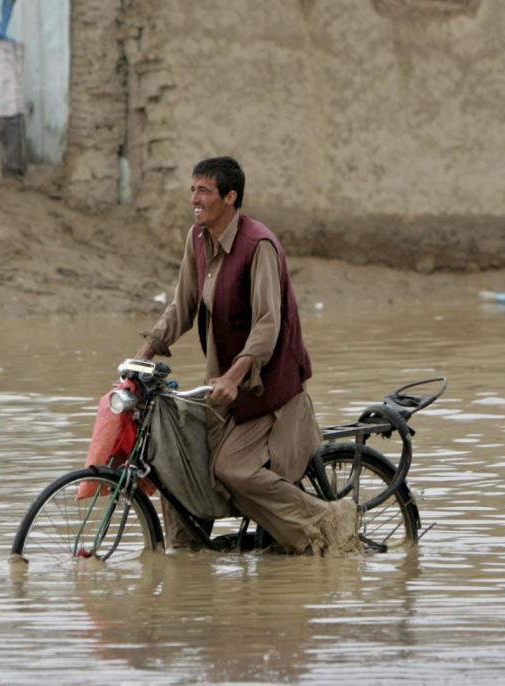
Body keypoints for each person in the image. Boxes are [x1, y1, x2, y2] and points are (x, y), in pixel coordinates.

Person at [135, 156, 358, 556]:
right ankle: (186, 551)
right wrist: (140, 357)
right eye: (192, 190)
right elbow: (182, 307)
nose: (194, 199)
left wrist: (234, 376)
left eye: (203, 191)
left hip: (267, 390)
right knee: (174, 454)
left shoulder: (259, 247)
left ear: (230, 197)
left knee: (230, 469)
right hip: (223, 387)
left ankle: (328, 520)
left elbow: (267, 327)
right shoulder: (198, 240)